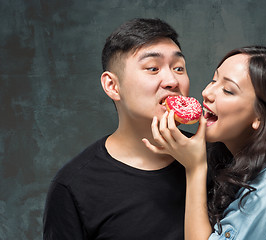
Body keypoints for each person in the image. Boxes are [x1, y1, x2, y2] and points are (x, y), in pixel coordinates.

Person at [143, 46, 266, 239]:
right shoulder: (228, 160)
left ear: (260, 117)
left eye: (228, 90)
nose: (207, 92)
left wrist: (195, 168)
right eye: (214, 80)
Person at [43, 18, 192, 239]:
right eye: (153, 68)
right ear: (112, 86)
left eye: (178, 68)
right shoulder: (73, 186)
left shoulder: (218, 157)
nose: (171, 80)